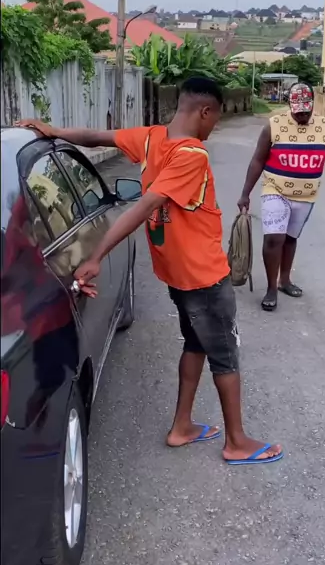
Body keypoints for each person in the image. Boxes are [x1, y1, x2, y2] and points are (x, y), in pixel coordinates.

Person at [17, 77, 282, 466]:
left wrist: (55, 131)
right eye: (215, 118)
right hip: (204, 276)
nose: (213, 127)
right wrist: (97, 256)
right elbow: (144, 206)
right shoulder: (192, 155)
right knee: (225, 356)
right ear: (205, 111)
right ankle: (237, 442)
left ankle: (182, 426)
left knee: (195, 344)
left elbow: (96, 136)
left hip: (177, 275)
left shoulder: (151, 139)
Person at [238, 81, 325, 311]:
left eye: (306, 112)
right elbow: (257, 160)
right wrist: (245, 193)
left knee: (290, 238)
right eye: (298, 112)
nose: (302, 116)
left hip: (306, 196)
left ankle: (284, 280)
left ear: (312, 106)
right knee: (274, 238)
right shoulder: (273, 126)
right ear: (290, 106)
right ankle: (271, 287)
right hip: (275, 190)